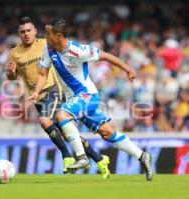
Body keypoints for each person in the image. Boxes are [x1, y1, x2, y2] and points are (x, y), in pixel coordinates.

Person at [29, 19, 153, 181]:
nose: (44, 37)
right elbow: (43, 74)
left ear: (58, 36)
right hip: (76, 99)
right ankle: (142, 156)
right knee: (107, 133)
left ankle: (81, 157)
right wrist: (36, 92)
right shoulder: (48, 49)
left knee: (62, 116)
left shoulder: (78, 50)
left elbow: (106, 56)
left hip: (88, 95)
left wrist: (128, 69)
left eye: (48, 34)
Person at [7, 17, 110, 177]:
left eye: (29, 30)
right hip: (38, 98)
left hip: (54, 90)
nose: (26, 34)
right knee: (66, 133)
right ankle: (99, 158)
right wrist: (11, 72)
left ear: (35, 31)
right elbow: (12, 78)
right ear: (19, 34)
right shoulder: (14, 53)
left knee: (44, 121)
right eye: (22, 32)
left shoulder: (46, 44)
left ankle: (67, 157)